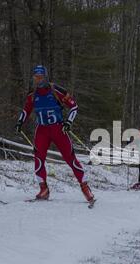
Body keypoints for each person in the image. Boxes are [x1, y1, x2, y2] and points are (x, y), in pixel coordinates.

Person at [15, 65, 95, 205]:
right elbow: (26, 110)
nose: (38, 80)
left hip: (58, 129)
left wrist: (68, 122)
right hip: (42, 130)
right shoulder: (33, 95)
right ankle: (43, 189)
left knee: (70, 158)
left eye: (40, 77)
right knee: (38, 158)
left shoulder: (55, 90)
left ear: (46, 77)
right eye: (36, 77)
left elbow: (74, 106)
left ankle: (85, 187)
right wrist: (19, 122)